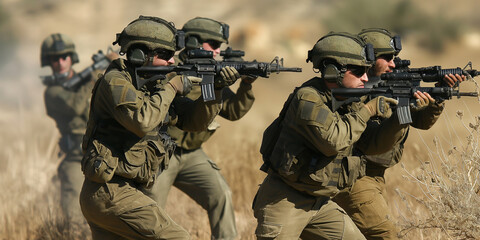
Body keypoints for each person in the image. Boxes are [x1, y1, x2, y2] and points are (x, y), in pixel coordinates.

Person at [79, 16, 238, 240]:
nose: (172, 62)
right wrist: (173, 85)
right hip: (110, 192)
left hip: (124, 191)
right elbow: (142, 121)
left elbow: (194, 122)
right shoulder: (114, 82)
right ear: (139, 55)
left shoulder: (154, 86)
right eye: (165, 56)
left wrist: (216, 89)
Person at [253, 32, 411, 239]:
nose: (365, 77)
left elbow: (373, 144)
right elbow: (332, 142)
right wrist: (367, 111)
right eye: (358, 71)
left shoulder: (348, 99)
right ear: (332, 72)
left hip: (320, 203)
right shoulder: (307, 98)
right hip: (284, 201)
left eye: (366, 70)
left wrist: (400, 118)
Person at [331, 28, 465, 240]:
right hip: (354, 177)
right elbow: (372, 144)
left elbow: (421, 122)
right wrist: (400, 115)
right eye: (386, 58)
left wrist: (437, 96)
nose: (393, 64)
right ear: (368, 57)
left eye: (394, 58)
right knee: (386, 234)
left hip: (374, 175)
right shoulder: (353, 92)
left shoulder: (389, 85)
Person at [146, 17, 255, 240]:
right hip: (160, 152)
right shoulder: (169, 68)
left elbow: (233, 111)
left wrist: (245, 84)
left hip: (192, 154)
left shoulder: (212, 75)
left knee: (221, 194)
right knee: (151, 211)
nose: (217, 51)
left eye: (219, 47)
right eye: (213, 45)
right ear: (194, 41)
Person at [40, 33, 101, 224]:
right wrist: (93, 79)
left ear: (71, 58)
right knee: (74, 219)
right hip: (76, 157)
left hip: (101, 153)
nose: (60, 62)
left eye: (64, 57)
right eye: (54, 58)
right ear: (47, 61)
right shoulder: (52, 92)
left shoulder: (87, 80)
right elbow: (76, 106)